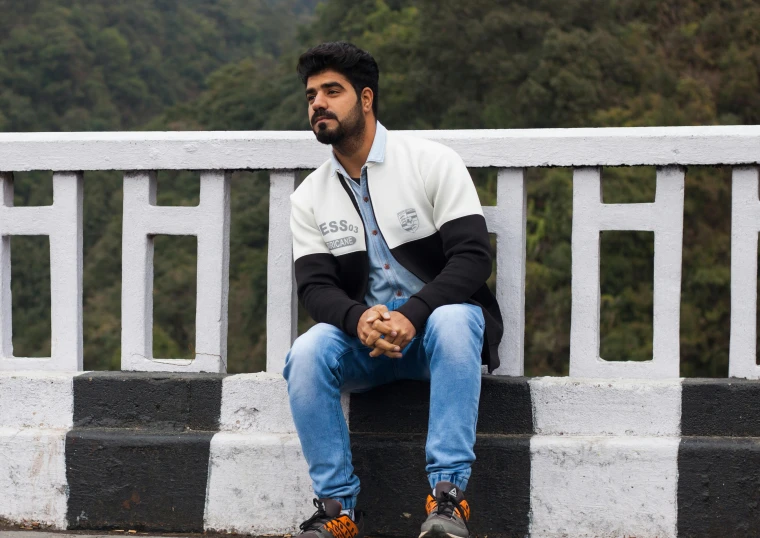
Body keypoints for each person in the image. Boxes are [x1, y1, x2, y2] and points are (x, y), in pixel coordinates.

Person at [283, 41, 503, 538]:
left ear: (365, 99)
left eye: (332, 91)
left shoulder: (430, 161)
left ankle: (447, 500)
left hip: (438, 334)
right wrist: (360, 320)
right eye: (311, 94)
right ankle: (337, 511)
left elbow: (472, 257)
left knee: (452, 316)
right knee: (308, 351)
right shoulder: (309, 196)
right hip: (369, 344)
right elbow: (315, 287)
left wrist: (415, 312)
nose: (318, 103)